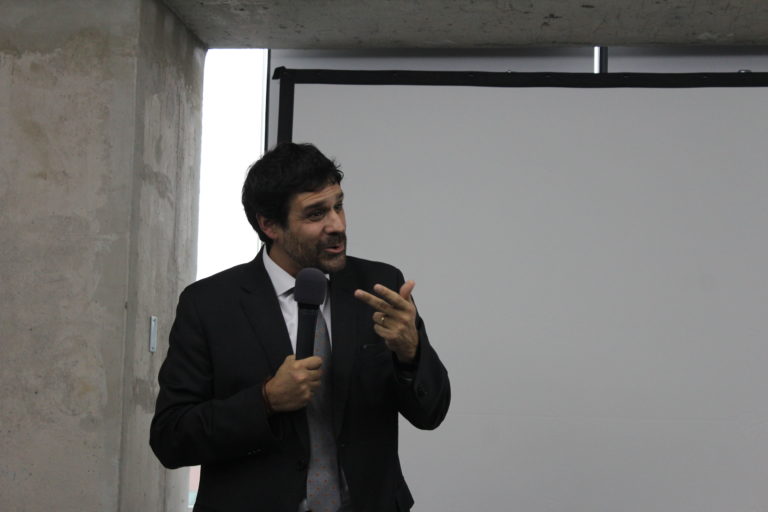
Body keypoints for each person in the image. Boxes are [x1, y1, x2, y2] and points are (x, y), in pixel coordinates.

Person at [150, 142, 450, 512]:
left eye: (338, 205)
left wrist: (411, 354)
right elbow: (170, 438)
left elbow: (431, 413)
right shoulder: (209, 304)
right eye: (315, 214)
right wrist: (265, 400)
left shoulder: (379, 287)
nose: (337, 225)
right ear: (269, 225)